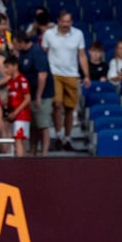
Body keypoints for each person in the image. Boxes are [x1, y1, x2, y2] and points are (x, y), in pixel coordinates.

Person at [42, 11, 90, 151]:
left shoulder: (78, 34)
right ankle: (58, 135)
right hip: (54, 73)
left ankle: (67, 137)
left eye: (68, 22)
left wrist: (86, 75)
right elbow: (44, 51)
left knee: (69, 107)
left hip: (72, 74)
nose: (65, 24)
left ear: (71, 22)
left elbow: (82, 55)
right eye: (63, 21)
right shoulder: (49, 34)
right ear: (58, 21)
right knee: (57, 104)